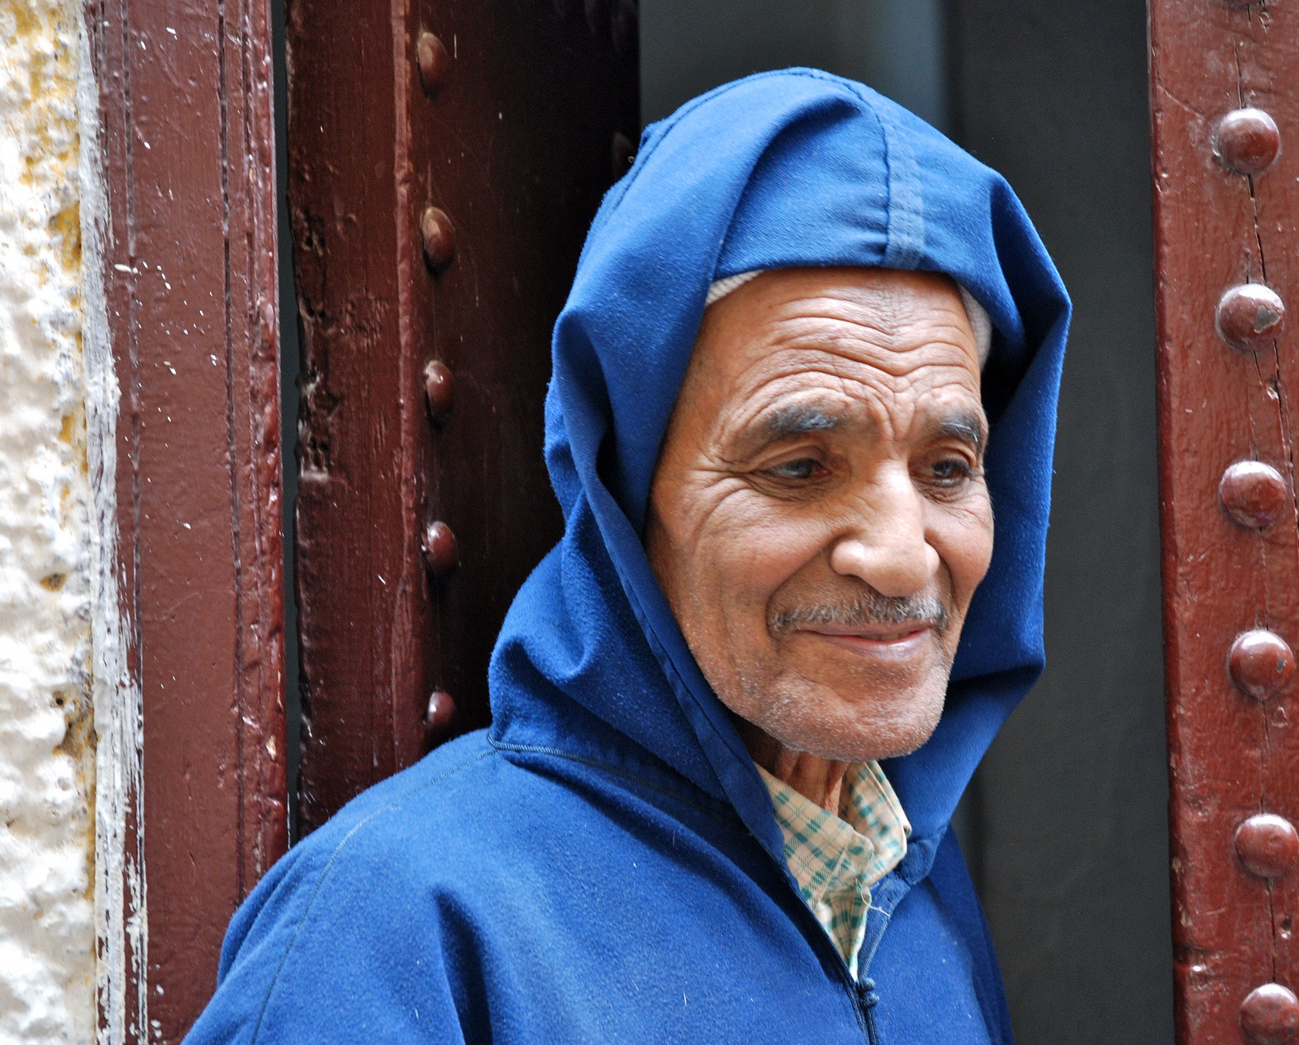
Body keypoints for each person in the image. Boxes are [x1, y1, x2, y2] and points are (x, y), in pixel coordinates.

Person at [189, 68, 1069, 1044]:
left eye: (947, 468)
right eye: (797, 467)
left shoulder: (907, 887)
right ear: (625, 491)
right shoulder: (400, 928)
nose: (903, 557)